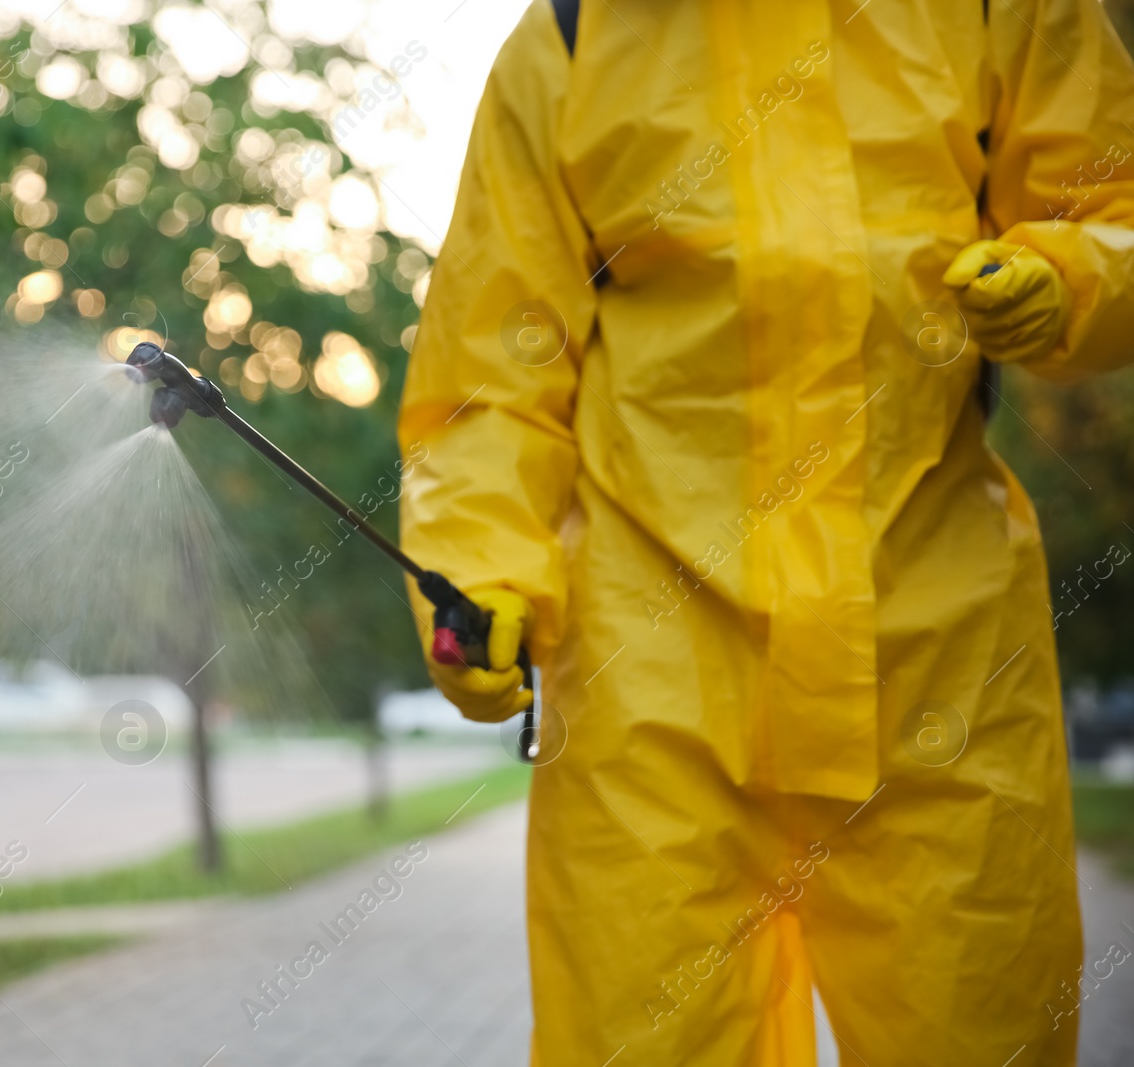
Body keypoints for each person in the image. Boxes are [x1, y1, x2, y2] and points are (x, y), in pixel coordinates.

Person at [398, 1, 1134, 1064]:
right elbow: (492, 373)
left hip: (938, 668)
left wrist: (1073, 278)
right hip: (648, 688)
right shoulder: (566, 37)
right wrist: (477, 575)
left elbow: (1113, 201)